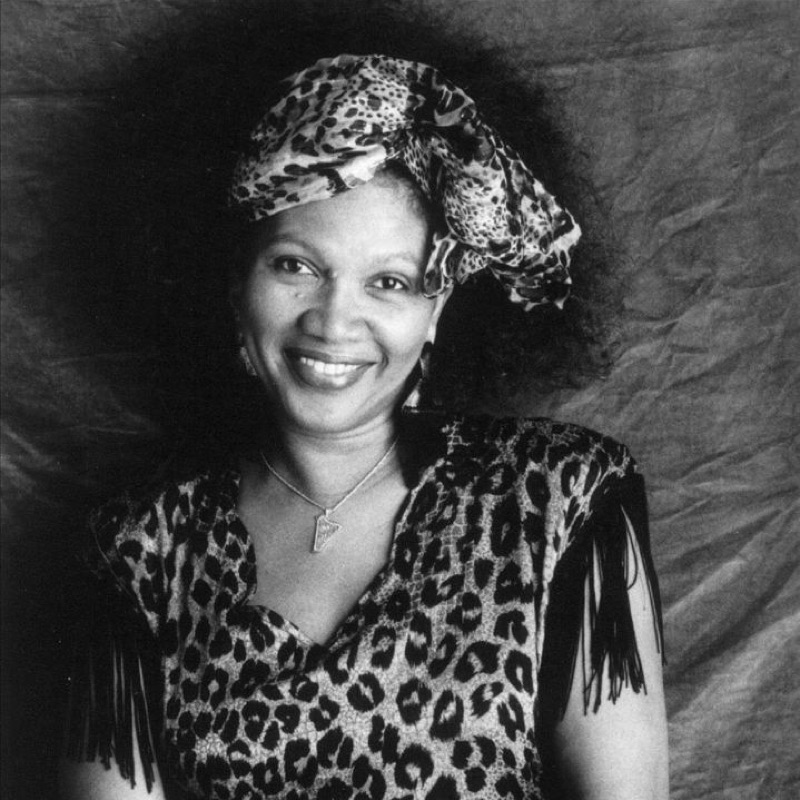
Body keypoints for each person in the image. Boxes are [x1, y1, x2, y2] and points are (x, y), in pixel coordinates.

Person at [59, 53, 667, 799]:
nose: (334, 321)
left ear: (436, 311)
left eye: (389, 282)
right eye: (296, 266)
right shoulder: (143, 546)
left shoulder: (560, 498)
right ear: (236, 284)